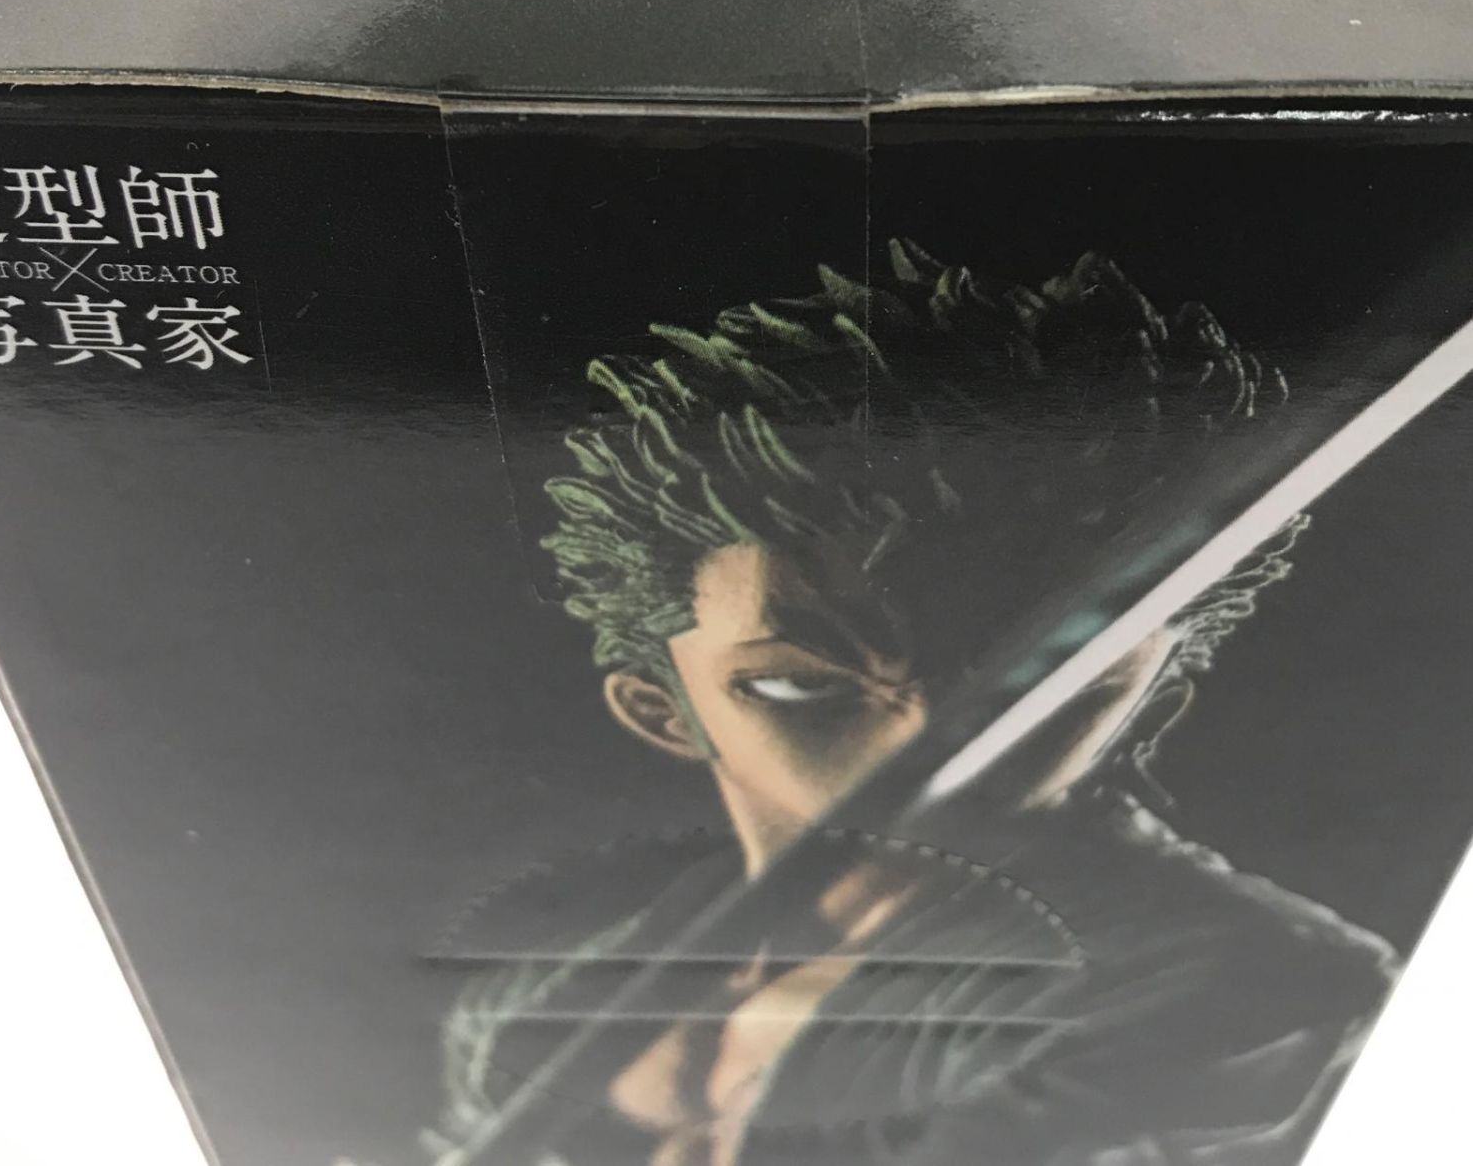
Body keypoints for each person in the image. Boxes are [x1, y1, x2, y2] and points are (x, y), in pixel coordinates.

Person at [422, 243, 1396, 1166]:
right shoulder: (540, 998)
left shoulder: (1250, 988)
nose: (925, 738)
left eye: (1050, 692)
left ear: (1152, 703)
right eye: (803, 685)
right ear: (664, 709)